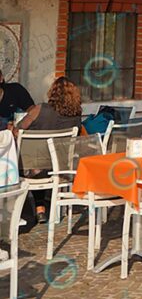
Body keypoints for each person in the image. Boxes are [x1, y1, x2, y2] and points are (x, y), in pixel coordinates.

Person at [13, 76, 82, 223]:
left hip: (34, 168)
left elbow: (19, 129)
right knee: (42, 161)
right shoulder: (76, 115)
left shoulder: (40, 110)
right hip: (61, 167)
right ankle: (40, 209)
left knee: (35, 162)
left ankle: (32, 209)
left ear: (53, 92)